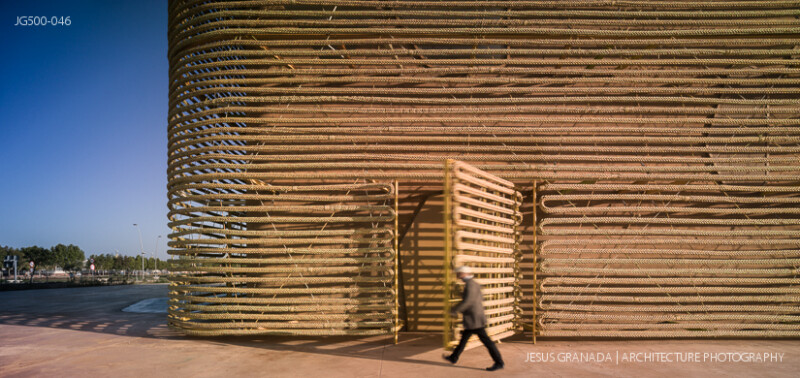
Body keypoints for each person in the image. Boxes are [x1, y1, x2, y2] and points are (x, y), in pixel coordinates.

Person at [443, 266, 504, 371]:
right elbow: (477, 298)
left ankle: (499, 362)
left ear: (463, 274)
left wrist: (454, 310)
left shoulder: (470, 285)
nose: (457, 276)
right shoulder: (474, 284)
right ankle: (454, 357)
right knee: (464, 339)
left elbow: (468, 302)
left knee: (487, 342)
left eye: (458, 274)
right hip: (475, 318)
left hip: (474, 319)